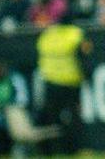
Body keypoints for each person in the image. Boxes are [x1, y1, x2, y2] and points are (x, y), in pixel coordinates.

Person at [35, 11, 92, 155]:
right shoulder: (76, 33)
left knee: (52, 118)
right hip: (71, 81)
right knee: (74, 116)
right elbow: (87, 51)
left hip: (50, 81)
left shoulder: (47, 34)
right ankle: (73, 149)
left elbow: (39, 50)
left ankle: (52, 149)